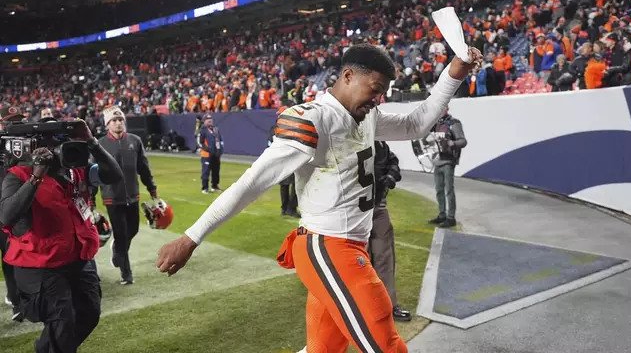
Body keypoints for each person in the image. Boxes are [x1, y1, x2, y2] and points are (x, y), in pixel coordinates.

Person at [156, 43, 481, 353]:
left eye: (383, 91)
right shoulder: (314, 119)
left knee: (323, 348)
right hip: (329, 247)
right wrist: (191, 238)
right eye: (375, 87)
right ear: (348, 76)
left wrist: (453, 72)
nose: (379, 98)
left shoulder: (367, 115)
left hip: (352, 245)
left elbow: (416, 124)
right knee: (384, 342)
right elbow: (252, 183)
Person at [0, 119, 123, 353]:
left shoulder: (77, 167)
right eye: (52, 141)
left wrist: (92, 142)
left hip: (79, 257)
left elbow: (114, 175)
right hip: (42, 264)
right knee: (62, 323)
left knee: (89, 314)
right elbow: (6, 216)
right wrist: (36, 175)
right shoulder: (18, 174)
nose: (59, 147)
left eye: (62, 139)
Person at [90, 106, 157, 285]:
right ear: (107, 124)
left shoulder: (135, 141)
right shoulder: (100, 144)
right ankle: (126, 274)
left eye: (120, 120)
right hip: (112, 197)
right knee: (121, 234)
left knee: (132, 230)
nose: (118, 123)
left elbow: (143, 167)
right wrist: (91, 198)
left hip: (133, 196)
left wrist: (152, 189)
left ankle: (117, 250)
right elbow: (93, 174)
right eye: (114, 120)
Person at [370, 141, 410, 322]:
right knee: (357, 261)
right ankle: (359, 306)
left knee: (384, 257)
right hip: (351, 213)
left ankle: (388, 305)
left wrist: (391, 176)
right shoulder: (348, 138)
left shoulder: (379, 144)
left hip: (376, 208)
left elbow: (393, 162)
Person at [0, 106, 26, 322]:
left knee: (12, 257)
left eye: (19, 120)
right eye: (11, 121)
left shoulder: (27, 145)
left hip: (13, 210)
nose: (15, 124)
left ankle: (17, 302)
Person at [428, 107, 467, 228]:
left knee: (449, 190)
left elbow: (463, 141)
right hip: (438, 160)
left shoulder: (453, 123)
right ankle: (442, 214)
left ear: (447, 109)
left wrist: (453, 143)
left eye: (442, 108)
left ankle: (451, 217)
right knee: (439, 190)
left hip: (449, 161)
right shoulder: (436, 124)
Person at [268, 106, 300, 217]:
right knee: (284, 185)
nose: (279, 116)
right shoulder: (275, 128)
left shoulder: (294, 127)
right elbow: (270, 144)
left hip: (292, 159)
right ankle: (285, 208)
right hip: (281, 160)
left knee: (295, 185)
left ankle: (291, 208)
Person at [198, 114, 223, 193]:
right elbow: (199, 142)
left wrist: (220, 150)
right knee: (206, 171)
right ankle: (204, 188)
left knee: (216, 170)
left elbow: (220, 140)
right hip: (206, 154)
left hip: (216, 154)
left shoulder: (216, 129)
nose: (210, 120)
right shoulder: (202, 130)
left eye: (210, 119)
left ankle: (214, 186)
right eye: (207, 119)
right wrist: (207, 149)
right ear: (204, 121)